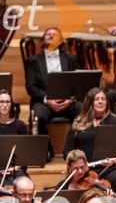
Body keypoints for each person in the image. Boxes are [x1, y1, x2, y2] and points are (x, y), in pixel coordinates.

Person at [25, 27, 81, 160]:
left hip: (68, 100)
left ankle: (73, 150)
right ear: (43, 39)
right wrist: (47, 99)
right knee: (37, 116)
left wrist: (71, 99)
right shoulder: (33, 61)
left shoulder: (71, 59)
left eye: (55, 35)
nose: (51, 36)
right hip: (44, 101)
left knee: (82, 111)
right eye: (48, 34)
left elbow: (77, 82)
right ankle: (46, 151)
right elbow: (31, 87)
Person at [63, 88, 116, 193]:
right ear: (90, 102)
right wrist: (79, 164)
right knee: (64, 186)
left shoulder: (115, 121)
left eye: (103, 99)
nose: (101, 102)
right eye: (97, 99)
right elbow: (67, 151)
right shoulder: (78, 122)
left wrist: (115, 161)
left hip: (111, 168)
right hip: (85, 169)